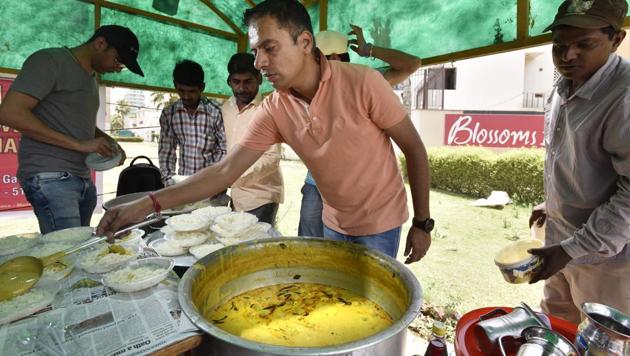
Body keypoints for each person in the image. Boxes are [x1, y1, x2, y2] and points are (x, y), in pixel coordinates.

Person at [98, 0, 432, 264]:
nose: (258, 62)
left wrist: (422, 223)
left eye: (269, 48)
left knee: (372, 316)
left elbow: (415, 151)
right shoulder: (276, 107)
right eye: (256, 50)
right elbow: (225, 171)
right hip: (334, 222)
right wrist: (145, 204)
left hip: (381, 222)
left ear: (304, 42)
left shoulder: (364, 82)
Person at [528, 0, 630, 324]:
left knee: (602, 342)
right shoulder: (561, 87)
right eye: (559, 45)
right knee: (555, 328)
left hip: (609, 263)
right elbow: (577, 162)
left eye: (584, 44)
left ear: (616, 40)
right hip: (560, 244)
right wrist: (553, 205)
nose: (567, 55)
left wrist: (572, 248)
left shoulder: (624, 97)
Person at [0, 25, 143, 234]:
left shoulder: (91, 78)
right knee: (68, 253)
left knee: (80, 248)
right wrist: (80, 144)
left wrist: (110, 143)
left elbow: (80, 125)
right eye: (117, 60)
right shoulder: (50, 61)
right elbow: (10, 112)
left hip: (81, 176)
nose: (118, 68)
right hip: (50, 174)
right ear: (100, 44)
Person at [298, 26, 422, 237]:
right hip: (315, 185)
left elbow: (412, 64)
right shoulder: (309, 86)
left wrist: (369, 50)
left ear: (335, 57)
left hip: (360, 197)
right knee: (309, 252)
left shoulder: (365, 82)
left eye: (316, 59)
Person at [222, 53, 283, 225]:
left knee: (257, 247)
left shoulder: (269, 110)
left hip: (261, 196)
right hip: (234, 194)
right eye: (236, 82)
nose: (241, 88)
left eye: (248, 82)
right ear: (229, 81)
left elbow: (271, 158)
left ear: (259, 79)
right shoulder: (226, 107)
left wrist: (234, 175)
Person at [158, 59, 229, 203]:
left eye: (192, 91)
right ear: (175, 86)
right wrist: (169, 183)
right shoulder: (169, 114)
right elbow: (166, 151)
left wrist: (217, 183)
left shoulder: (216, 112)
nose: (186, 96)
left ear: (202, 87)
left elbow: (223, 150)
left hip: (213, 186)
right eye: (181, 91)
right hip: (183, 184)